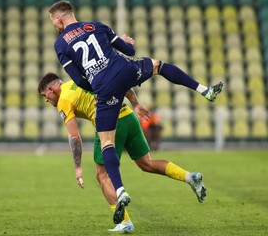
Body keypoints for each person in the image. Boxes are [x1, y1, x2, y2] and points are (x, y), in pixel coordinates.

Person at [48, 0, 222, 224]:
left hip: (103, 90)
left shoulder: (60, 45)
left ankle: (120, 190)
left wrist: (101, 86)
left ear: (59, 19)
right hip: (124, 71)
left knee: (107, 143)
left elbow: (79, 80)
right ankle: (203, 89)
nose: (54, 25)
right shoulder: (97, 26)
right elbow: (130, 50)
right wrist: (123, 43)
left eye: (53, 21)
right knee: (158, 65)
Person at [38, 72, 207, 232]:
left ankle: (125, 221)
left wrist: (77, 167)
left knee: (102, 175)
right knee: (146, 163)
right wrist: (135, 103)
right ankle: (189, 177)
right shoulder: (79, 80)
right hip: (128, 116)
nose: (47, 100)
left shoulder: (63, 101)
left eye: (45, 95)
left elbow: (74, 136)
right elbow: (118, 82)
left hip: (109, 125)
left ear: (52, 89)